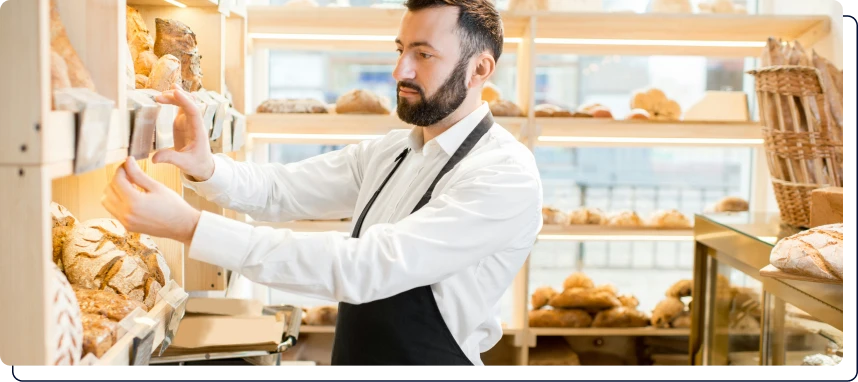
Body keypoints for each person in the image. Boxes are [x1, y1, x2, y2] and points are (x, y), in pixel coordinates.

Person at [103, 0, 542, 368]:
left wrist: (192, 228)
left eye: (423, 55)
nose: (399, 71)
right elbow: (282, 189)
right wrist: (206, 168)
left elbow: (365, 267)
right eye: (400, 49)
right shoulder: (393, 150)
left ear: (480, 69)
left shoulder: (504, 174)